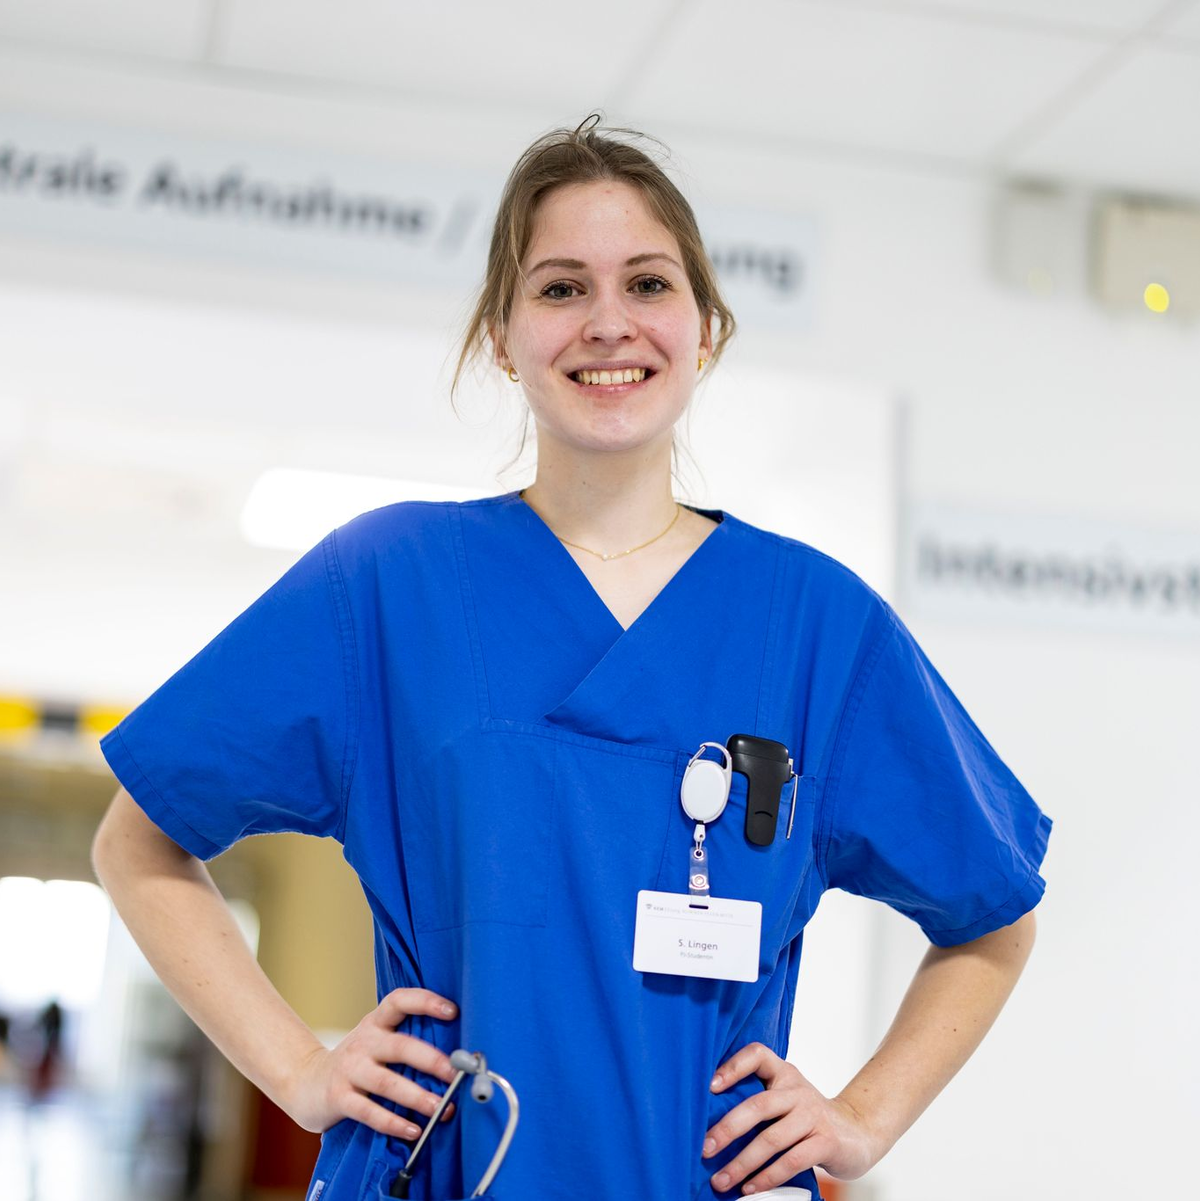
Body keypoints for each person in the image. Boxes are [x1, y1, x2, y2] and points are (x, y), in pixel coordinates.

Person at [92, 116, 1052, 1201]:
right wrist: (305, 1073)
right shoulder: (389, 582)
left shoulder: (816, 623)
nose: (609, 323)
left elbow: (995, 913)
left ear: (706, 327)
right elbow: (139, 843)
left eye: (648, 283)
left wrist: (865, 1120)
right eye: (559, 288)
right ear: (501, 333)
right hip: (448, 1169)